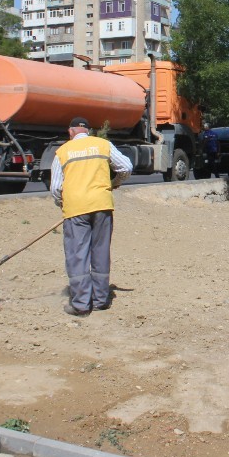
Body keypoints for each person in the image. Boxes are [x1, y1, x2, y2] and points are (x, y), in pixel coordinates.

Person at [50, 117, 133, 316]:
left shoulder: (62, 152)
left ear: (71, 132)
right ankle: (100, 300)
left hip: (76, 209)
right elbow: (126, 167)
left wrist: (63, 202)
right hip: (102, 206)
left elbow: (55, 188)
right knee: (100, 251)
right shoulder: (102, 145)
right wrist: (114, 183)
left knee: (77, 254)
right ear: (88, 131)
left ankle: (80, 304)